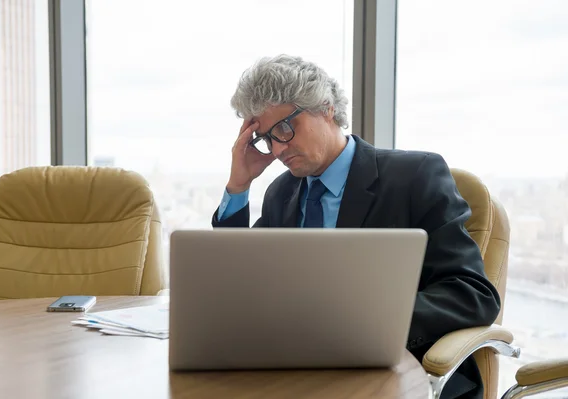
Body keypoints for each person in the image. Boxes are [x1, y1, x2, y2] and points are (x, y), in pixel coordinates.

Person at [212, 54, 501, 399]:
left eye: (285, 129)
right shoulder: (282, 193)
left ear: (325, 108)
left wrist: (360, 326)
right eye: (266, 139)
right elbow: (236, 285)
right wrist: (239, 184)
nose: (278, 149)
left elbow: (472, 294)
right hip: (297, 373)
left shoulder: (414, 176)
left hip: (398, 373)